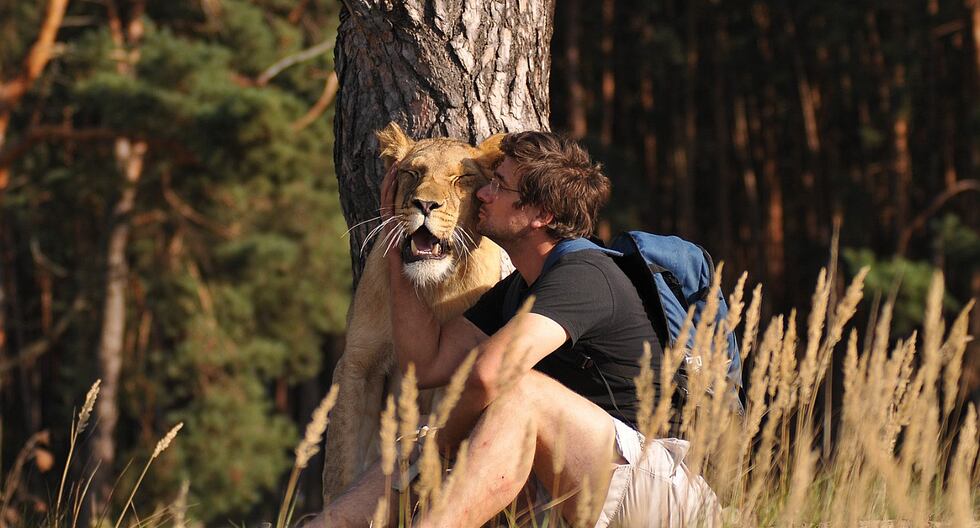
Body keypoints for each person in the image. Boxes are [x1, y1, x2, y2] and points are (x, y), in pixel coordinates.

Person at [314, 131, 719, 528]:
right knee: (411, 451)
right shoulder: (517, 289)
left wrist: (442, 446)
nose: (483, 194)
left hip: (655, 489)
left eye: (499, 186)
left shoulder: (585, 275)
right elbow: (423, 366)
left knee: (520, 393)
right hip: (577, 485)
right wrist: (397, 241)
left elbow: (488, 376)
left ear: (542, 215)